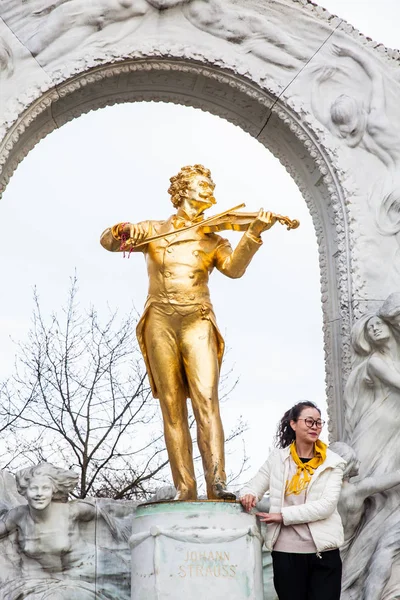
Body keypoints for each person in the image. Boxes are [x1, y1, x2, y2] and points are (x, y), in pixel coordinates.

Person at [100, 164, 278, 501]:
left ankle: (217, 483)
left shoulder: (214, 239)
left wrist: (253, 233)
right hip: (160, 319)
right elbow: (108, 242)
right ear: (182, 191)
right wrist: (120, 230)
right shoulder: (153, 229)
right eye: (202, 185)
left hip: (197, 318)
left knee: (206, 400)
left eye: (211, 186)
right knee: (171, 406)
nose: (210, 191)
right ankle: (185, 487)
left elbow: (234, 270)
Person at [240, 401, 345, 600]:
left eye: (318, 422)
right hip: (285, 554)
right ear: (293, 424)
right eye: (309, 421)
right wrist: (249, 495)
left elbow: (326, 506)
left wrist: (282, 516)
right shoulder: (277, 459)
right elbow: (253, 486)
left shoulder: (333, 463)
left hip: (324, 554)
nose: (315, 427)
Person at [0, 463, 125, 599]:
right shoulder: (18, 516)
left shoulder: (71, 511)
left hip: (96, 569)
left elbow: (109, 509)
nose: (39, 494)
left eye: (45, 488)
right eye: (34, 488)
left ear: (54, 490)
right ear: (25, 491)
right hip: (49, 581)